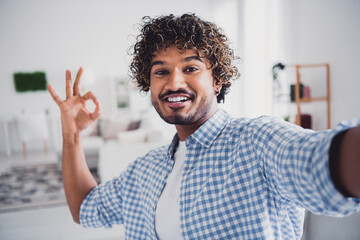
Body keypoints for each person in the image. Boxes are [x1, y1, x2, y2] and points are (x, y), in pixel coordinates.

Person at [48, 13, 360, 240]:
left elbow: (320, 160)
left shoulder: (257, 142)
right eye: (161, 72)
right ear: (148, 83)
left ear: (218, 79)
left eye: (191, 68)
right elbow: (85, 208)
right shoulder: (143, 172)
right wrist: (71, 135)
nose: (174, 82)